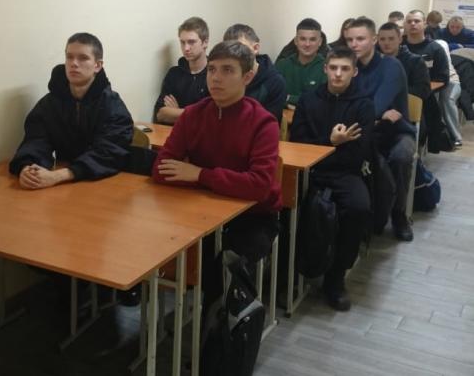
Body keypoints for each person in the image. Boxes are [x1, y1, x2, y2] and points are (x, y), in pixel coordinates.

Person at [152, 40, 281, 305]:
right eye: (212, 69)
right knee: (159, 242)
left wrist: (200, 175)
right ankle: (197, 313)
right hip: (201, 209)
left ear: (247, 77)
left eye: (227, 70)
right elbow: (161, 169)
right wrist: (214, 182)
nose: (216, 78)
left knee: (223, 263)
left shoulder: (263, 122)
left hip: (252, 216)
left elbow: (259, 186)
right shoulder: (192, 115)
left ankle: (219, 320)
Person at [290, 48, 374, 311]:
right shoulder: (308, 100)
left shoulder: (363, 104)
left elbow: (359, 153)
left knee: (358, 208)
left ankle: (336, 278)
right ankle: (291, 273)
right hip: (311, 171)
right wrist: (332, 142)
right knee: (288, 205)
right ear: (325, 69)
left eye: (345, 69)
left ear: (354, 72)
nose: (338, 74)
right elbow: (297, 143)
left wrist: (325, 149)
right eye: (334, 68)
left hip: (345, 173)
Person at [9, 32, 133, 188]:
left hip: (100, 181)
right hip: (64, 183)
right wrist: (28, 168)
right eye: (69, 57)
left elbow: (110, 153)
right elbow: (36, 140)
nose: (74, 63)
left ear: (97, 65)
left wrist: (60, 175)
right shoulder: (49, 103)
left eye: (83, 58)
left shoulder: (113, 106)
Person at [345, 17, 416, 242]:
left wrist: (371, 113)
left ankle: (399, 215)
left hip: (397, 132)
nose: (354, 44)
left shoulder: (391, 66)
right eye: (349, 40)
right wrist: (373, 115)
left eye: (360, 39)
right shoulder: (349, 67)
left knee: (401, 157)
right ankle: (365, 216)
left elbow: (375, 106)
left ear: (374, 39)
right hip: (367, 132)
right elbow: (349, 106)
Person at [404, 9, 452, 152]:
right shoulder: (398, 46)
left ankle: (416, 152)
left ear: (425, 24)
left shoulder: (435, 49)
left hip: (424, 97)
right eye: (409, 21)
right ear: (405, 25)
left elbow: (442, 78)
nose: (413, 24)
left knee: (422, 125)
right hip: (397, 94)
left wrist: (421, 90)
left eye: (417, 21)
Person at [222, 23, 287, 122]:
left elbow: (269, 124)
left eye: (240, 49)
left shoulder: (275, 82)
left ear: (255, 48)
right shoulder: (223, 77)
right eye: (228, 50)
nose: (233, 55)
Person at [153, 17, 210, 124]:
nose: (186, 48)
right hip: (173, 133)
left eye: (191, 42)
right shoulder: (174, 74)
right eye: (182, 42)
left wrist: (177, 111)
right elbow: (160, 114)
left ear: (205, 42)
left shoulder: (215, 75)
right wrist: (191, 115)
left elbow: (210, 118)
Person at [276, 18, 327, 107]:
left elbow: (322, 100)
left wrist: (289, 98)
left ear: (320, 42)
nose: (307, 44)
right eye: (303, 39)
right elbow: (274, 96)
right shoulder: (282, 65)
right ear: (296, 41)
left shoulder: (327, 68)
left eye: (312, 39)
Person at [378, 22, 431, 101]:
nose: (386, 43)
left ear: (400, 39)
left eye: (391, 39)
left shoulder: (415, 61)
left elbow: (423, 91)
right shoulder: (376, 62)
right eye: (382, 39)